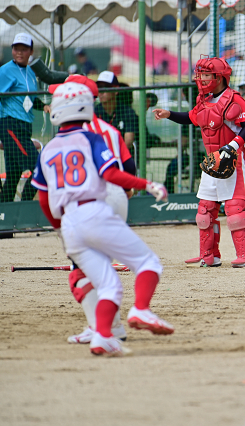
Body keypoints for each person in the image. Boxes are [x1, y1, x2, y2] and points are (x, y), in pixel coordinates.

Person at [32, 81, 171, 356]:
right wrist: (146, 184)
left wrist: (59, 227)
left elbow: (43, 200)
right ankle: (141, 309)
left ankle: (103, 336)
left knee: (107, 283)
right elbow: (113, 174)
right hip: (95, 209)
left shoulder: (47, 149)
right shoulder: (94, 136)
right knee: (147, 263)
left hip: (69, 222)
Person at [44, 74, 138, 344]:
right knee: (99, 266)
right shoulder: (109, 130)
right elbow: (128, 169)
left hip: (87, 204)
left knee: (80, 272)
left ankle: (101, 328)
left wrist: (58, 222)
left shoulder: (67, 136)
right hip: (115, 197)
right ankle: (112, 326)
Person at [152, 56, 245, 268]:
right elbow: (190, 118)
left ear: (219, 77)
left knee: (234, 210)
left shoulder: (234, 99)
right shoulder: (204, 100)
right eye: (200, 74)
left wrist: (232, 147)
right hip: (212, 161)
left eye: (206, 75)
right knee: (205, 211)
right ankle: (210, 255)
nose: (200, 78)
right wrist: (168, 114)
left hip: (232, 160)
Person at [0, 33, 47, 203]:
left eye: (24, 49)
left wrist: (44, 106)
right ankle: (24, 208)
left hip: (24, 127)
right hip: (10, 125)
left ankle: (5, 225)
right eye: (16, 48)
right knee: (40, 168)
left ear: (31, 51)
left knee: (12, 176)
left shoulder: (30, 72)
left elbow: (29, 99)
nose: (19, 52)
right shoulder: (5, 71)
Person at [94, 71, 137, 150]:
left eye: (105, 87)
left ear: (116, 90)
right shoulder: (94, 112)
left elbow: (128, 142)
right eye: (99, 87)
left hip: (121, 157)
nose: (101, 92)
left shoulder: (128, 112)